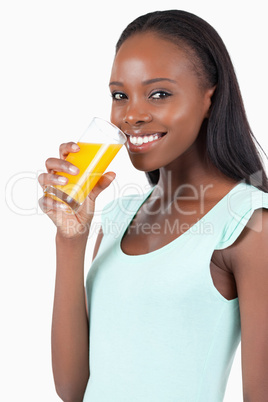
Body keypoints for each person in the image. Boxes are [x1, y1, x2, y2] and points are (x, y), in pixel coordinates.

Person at [38, 10, 268, 402]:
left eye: (159, 93)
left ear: (209, 98)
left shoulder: (247, 223)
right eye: (119, 95)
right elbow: (75, 389)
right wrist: (70, 240)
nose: (132, 115)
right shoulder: (118, 216)